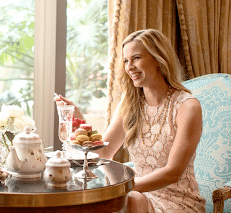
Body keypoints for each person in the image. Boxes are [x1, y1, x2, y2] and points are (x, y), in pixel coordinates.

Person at [55, 29, 206, 212]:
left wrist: (120, 189)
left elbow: (172, 173)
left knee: (126, 200)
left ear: (159, 59)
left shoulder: (187, 107)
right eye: (126, 61)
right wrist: (78, 118)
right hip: (138, 195)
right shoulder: (130, 105)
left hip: (179, 203)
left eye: (136, 58)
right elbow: (104, 152)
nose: (129, 67)